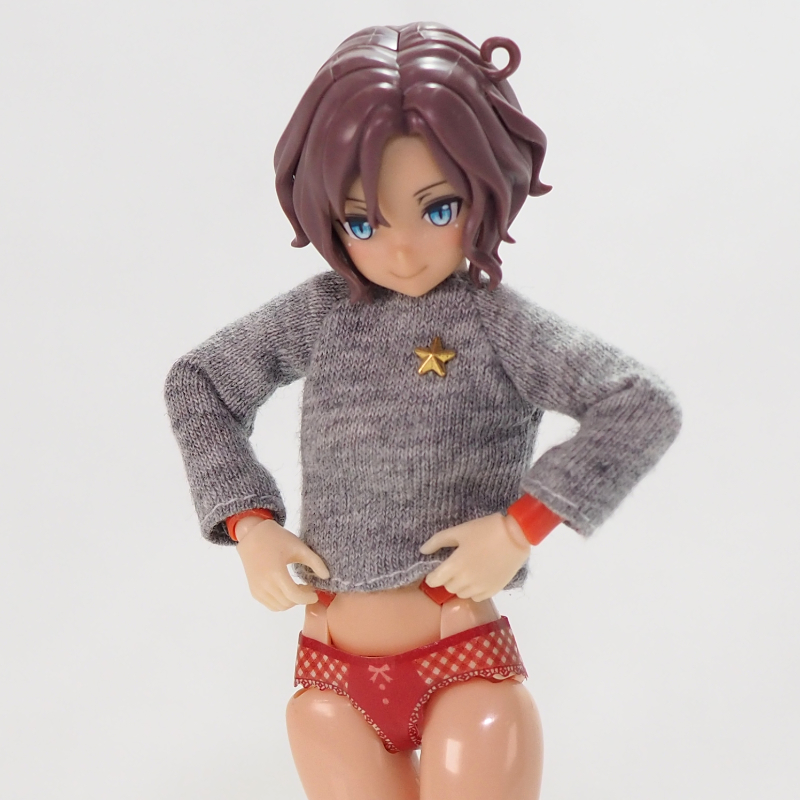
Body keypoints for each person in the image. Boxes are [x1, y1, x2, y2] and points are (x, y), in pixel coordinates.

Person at [165, 22, 681, 800]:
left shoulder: (496, 323)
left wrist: (522, 526)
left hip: (460, 660)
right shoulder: (320, 314)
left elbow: (640, 402)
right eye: (362, 223)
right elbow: (199, 382)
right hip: (328, 674)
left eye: (438, 210)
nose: (401, 251)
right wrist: (249, 524)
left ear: (488, 189)